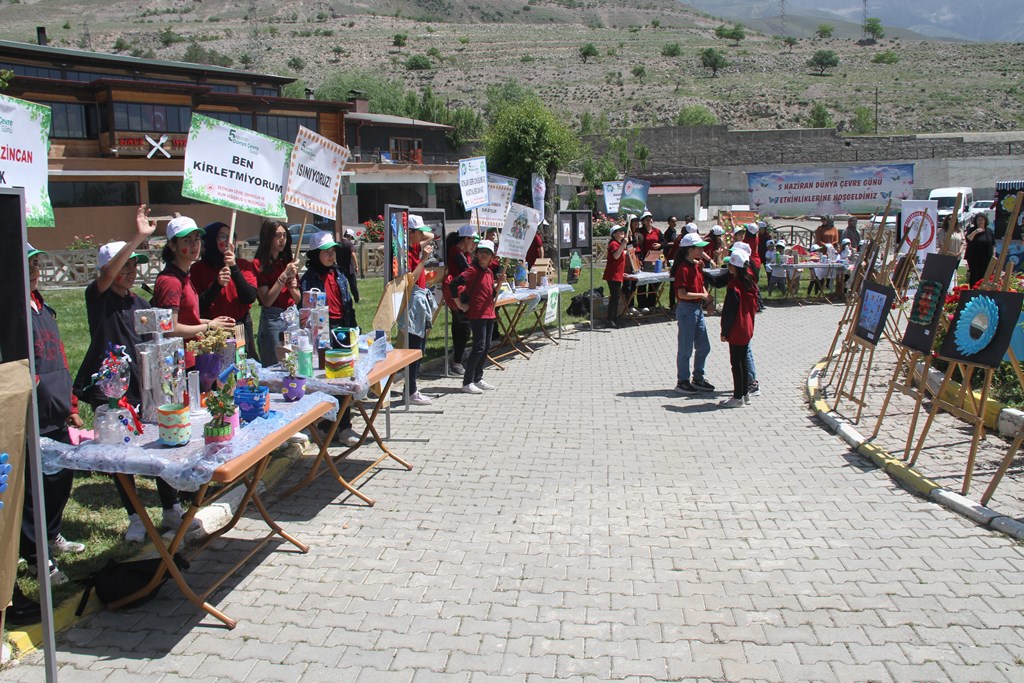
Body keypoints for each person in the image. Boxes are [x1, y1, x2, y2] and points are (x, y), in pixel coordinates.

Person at [74, 207, 198, 541]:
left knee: (159, 444)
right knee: (119, 454)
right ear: (108, 269)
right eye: (124, 266)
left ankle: (170, 507)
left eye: (134, 266)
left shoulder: (140, 303)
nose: (130, 271)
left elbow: (162, 336)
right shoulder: (97, 298)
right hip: (112, 391)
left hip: (144, 388)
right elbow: (105, 277)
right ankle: (135, 516)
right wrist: (139, 237)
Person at [22, 243, 84, 585]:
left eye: (36, 263)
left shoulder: (45, 309)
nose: (34, 269)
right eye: (27, 263)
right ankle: (34, 557)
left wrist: (71, 406)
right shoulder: (13, 312)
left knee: (60, 480)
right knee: (35, 490)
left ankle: (52, 536)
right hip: (33, 416)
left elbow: (58, 359)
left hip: (57, 412)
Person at [152, 216, 236, 371]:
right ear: (172, 245)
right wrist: (209, 326)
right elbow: (171, 330)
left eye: (197, 239)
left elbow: (189, 318)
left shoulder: (184, 276)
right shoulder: (170, 281)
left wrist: (213, 323)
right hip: (178, 363)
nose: (194, 245)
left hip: (192, 358)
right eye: (187, 240)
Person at [300, 232, 360, 446]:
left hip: (342, 330)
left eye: (332, 251)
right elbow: (305, 309)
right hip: (322, 333)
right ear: (315, 254)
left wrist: (354, 327)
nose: (331, 255)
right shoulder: (308, 279)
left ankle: (344, 427)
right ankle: (326, 425)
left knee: (343, 380)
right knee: (325, 381)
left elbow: (348, 303)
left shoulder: (339, 274)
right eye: (326, 252)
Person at [189, 221, 259, 357]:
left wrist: (234, 267)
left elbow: (249, 297)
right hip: (213, 330)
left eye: (231, 237)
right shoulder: (198, 269)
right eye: (222, 237)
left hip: (239, 327)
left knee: (242, 367)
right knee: (216, 370)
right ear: (210, 239)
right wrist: (217, 284)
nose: (228, 241)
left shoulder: (243, 265)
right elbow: (197, 305)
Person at [453, 239, 505, 394]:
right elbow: (454, 284)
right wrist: (460, 305)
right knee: (479, 346)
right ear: (476, 253)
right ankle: (467, 382)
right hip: (477, 313)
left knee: (486, 346)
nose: (484, 254)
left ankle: (478, 378)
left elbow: (491, 294)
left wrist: (499, 284)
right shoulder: (472, 270)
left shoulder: (489, 272)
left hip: (489, 312)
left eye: (487, 252)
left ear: (492, 257)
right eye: (481, 251)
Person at [252, 219, 300, 368]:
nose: (282, 240)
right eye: (277, 235)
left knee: (293, 363)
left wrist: (292, 288)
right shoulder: (259, 264)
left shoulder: (287, 261)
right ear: (268, 237)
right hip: (273, 319)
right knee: (274, 365)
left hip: (292, 315)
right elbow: (267, 300)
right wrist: (283, 276)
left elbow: (297, 299)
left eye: (284, 235)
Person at [672, 233, 715, 394]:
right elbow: (682, 294)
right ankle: (682, 381)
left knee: (704, 346)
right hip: (687, 310)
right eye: (699, 248)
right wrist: (702, 296)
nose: (702, 250)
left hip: (697, 309)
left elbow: (700, 286)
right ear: (690, 250)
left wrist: (707, 300)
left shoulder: (696, 266)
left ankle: (698, 378)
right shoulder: (683, 268)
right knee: (686, 348)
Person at [403, 215, 437, 405]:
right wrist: (423, 260)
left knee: (420, 346)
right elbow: (411, 279)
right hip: (413, 304)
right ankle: (411, 391)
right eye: (418, 231)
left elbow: (430, 235)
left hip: (421, 300)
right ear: (411, 233)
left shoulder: (413, 246)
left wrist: (418, 234)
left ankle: (411, 389)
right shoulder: (406, 253)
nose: (422, 235)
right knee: (414, 347)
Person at [719, 250, 759, 408]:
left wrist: (724, 331)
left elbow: (728, 312)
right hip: (747, 326)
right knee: (743, 361)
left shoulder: (734, 287)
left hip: (737, 327)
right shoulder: (749, 283)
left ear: (733, 267)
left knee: (736, 363)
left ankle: (737, 397)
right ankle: (744, 394)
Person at [445, 226, 477, 374]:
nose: (474, 244)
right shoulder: (457, 253)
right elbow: (469, 271)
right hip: (458, 293)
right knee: (464, 328)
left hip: (457, 293)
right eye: (473, 240)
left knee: (459, 326)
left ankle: (457, 359)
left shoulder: (460, 252)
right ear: (466, 239)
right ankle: (457, 362)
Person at [603, 224, 630, 328]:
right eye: (619, 231)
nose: (622, 232)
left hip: (617, 274)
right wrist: (623, 244)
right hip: (612, 275)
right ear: (614, 234)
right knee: (614, 297)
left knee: (616, 296)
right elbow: (616, 255)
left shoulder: (618, 244)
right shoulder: (614, 244)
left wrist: (621, 272)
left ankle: (613, 318)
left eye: (622, 231)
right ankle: (610, 319)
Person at [638, 211, 662, 310]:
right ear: (643, 221)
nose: (649, 220)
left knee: (655, 282)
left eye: (650, 218)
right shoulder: (640, 232)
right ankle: (642, 304)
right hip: (644, 259)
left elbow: (663, 241)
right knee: (643, 283)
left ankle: (651, 304)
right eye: (646, 218)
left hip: (655, 259)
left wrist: (660, 245)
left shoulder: (657, 231)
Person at [965, 213, 995, 287]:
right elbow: (968, 239)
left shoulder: (989, 231)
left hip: (986, 257)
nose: (980, 221)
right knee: (975, 274)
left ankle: (983, 289)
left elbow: (992, 244)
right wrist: (975, 232)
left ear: (985, 221)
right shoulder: (972, 229)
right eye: (978, 220)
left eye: (982, 219)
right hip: (974, 257)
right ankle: (973, 288)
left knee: (984, 274)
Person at [336, 228, 360, 303]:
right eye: (351, 238)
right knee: (353, 286)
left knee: (341, 285)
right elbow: (353, 254)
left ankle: (342, 299)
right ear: (349, 236)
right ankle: (356, 299)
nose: (351, 239)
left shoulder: (338, 243)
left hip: (340, 268)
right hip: (349, 268)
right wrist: (356, 265)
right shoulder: (349, 244)